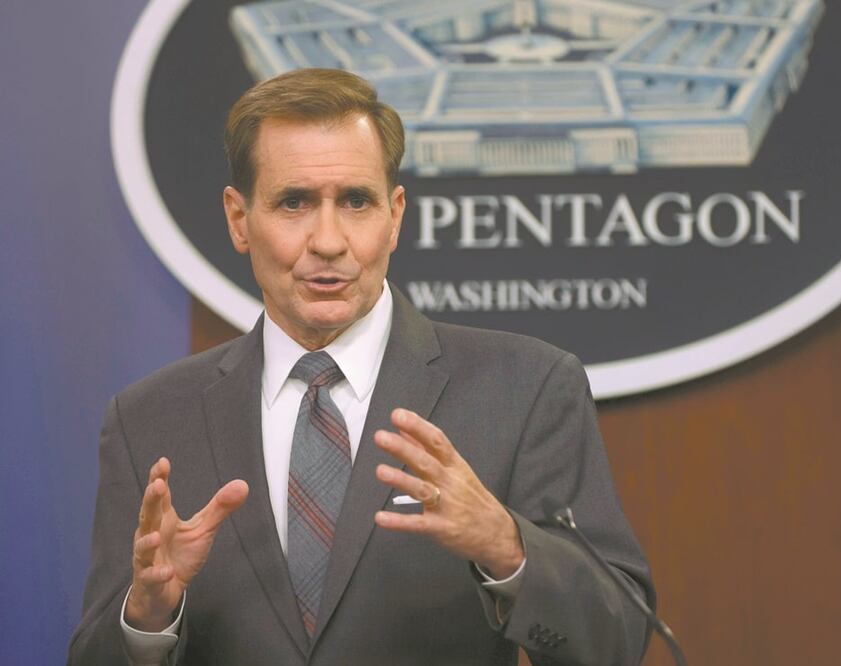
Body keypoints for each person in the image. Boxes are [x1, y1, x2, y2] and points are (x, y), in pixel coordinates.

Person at [68, 68, 653, 665]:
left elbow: (618, 641)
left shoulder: (523, 389)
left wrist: (509, 549)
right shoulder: (151, 418)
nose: (328, 240)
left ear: (395, 216)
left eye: (355, 201)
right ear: (239, 220)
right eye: (294, 203)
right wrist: (147, 618)